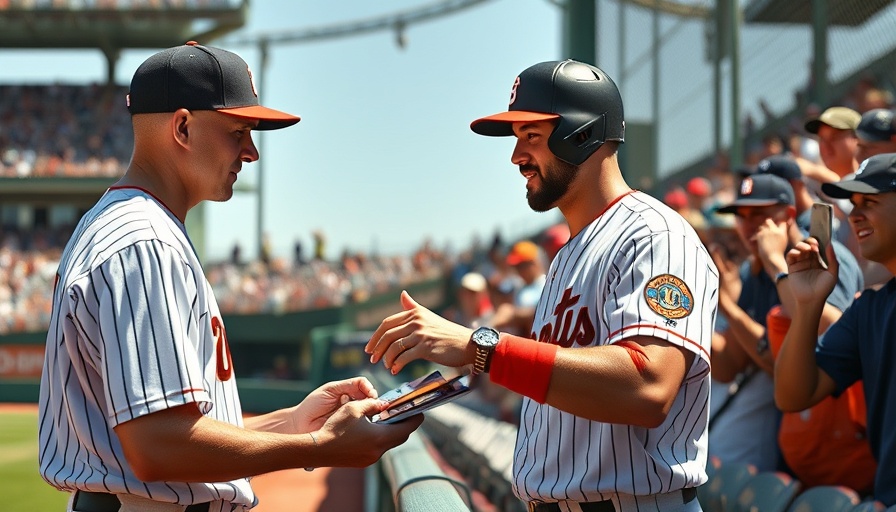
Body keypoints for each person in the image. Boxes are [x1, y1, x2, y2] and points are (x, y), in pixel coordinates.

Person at [38, 42, 421, 512]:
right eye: (238, 131)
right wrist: (321, 449)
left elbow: (181, 431)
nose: (251, 151)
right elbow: (158, 445)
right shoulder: (144, 242)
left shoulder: (130, 226)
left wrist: (299, 424)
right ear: (182, 127)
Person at [366, 59, 718, 511]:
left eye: (531, 136)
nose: (516, 157)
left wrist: (482, 348)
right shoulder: (570, 253)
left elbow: (647, 387)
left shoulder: (653, 234)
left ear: (582, 133)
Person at [709, 173, 863, 472]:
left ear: (790, 214)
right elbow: (729, 366)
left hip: (841, 440)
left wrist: (774, 265)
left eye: (760, 214)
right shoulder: (751, 272)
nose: (749, 225)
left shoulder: (823, 256)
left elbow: (826, 344)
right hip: (797, 439)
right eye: (741, 216)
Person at [775, 152, 896, 505]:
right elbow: (793, 395)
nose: (855, 215)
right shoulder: (869, 308)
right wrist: (809, 303)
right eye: (853, 204)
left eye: (870, 202)